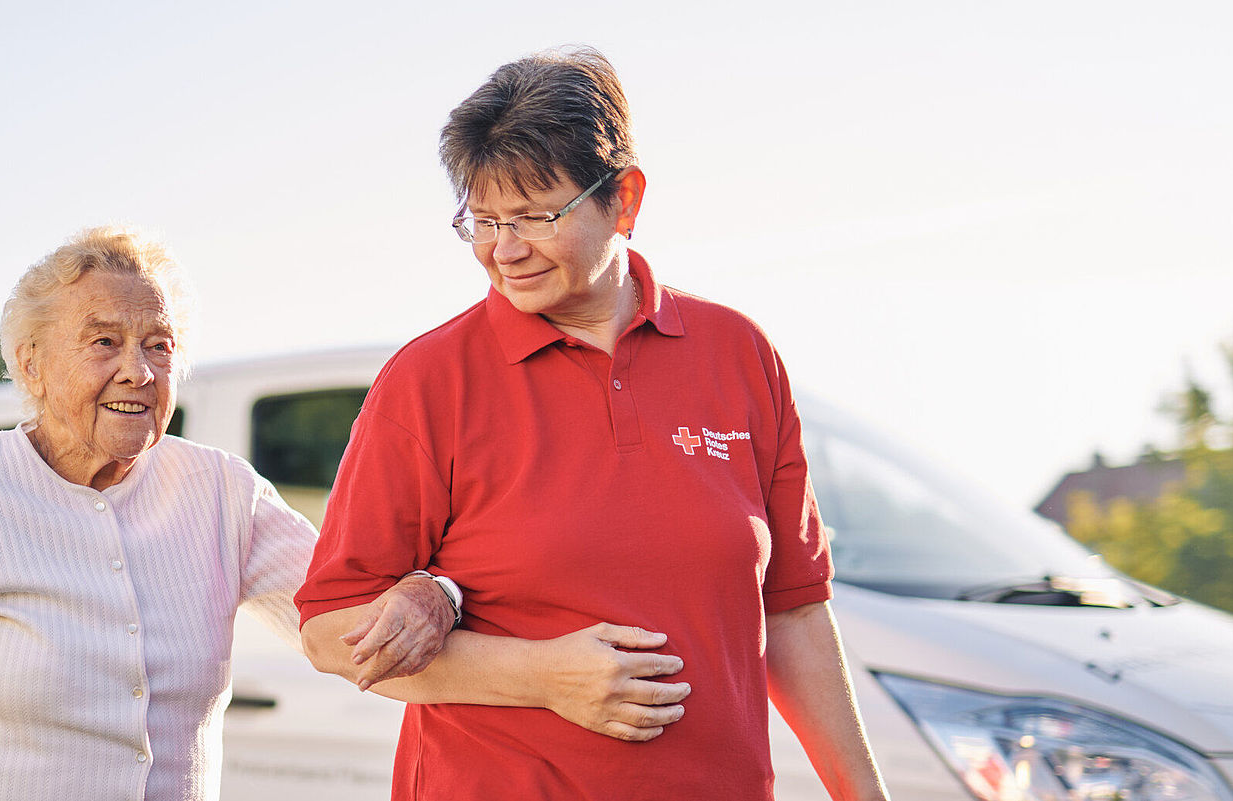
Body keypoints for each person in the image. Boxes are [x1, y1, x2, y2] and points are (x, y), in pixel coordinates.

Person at [296, 48, 890, 800]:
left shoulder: (739, 354)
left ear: (626, 199)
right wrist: (540, 674)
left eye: (534, 218)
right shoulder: (428, 382)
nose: (504, 250)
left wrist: (865, 794)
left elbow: (795, 608)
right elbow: (326, 630)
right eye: (482, 220)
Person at [0, 226, 456, 801]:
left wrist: (438, 591)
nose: (139, 371)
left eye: (159, 345)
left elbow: (356, 620)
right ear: (31, 365)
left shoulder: (223, 492)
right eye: (104, 342)